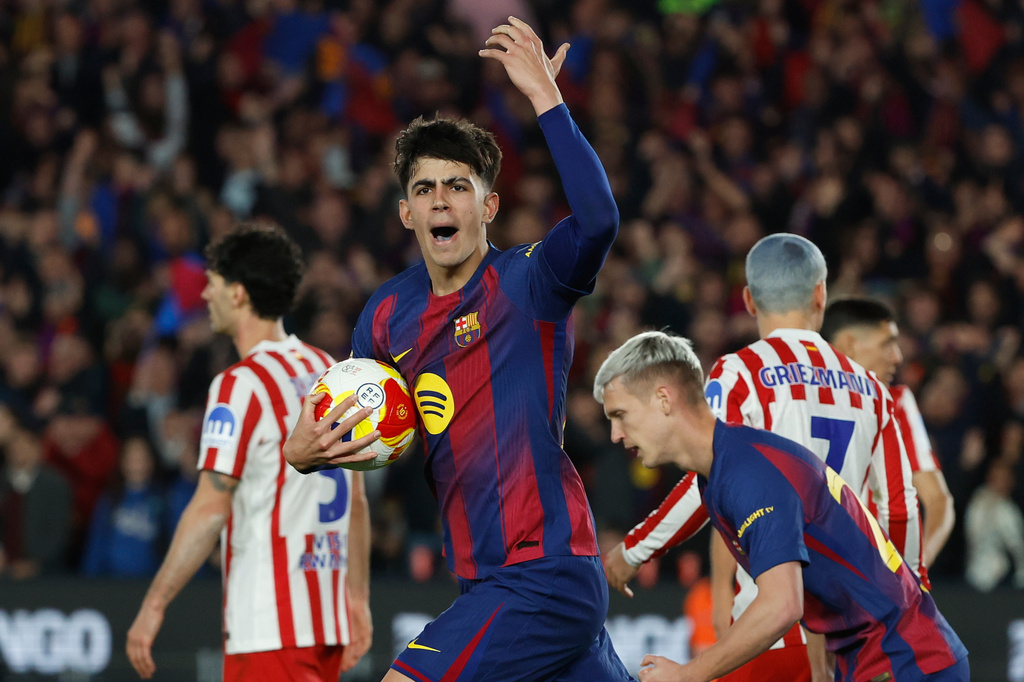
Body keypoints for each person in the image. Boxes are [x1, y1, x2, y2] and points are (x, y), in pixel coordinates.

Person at [284, 16, 635, 682]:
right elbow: (356, 426)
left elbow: (598, 221)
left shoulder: (529, 282)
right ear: (406, 215)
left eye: (457, 187)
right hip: (482, 578)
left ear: (489, 205)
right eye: (424, 189)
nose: (440, 200)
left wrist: (546, 102)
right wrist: (302, 454)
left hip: (544, 571)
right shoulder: (386, 315)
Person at [603, 233, 922, 682]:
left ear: (749, 301)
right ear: (820, 293)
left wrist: (635, 549)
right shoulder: (870, 387)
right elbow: (900, 507)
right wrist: (905, 609)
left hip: (772, 627)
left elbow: (707, 481)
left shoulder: (742, 374)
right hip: (857, 635)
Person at [594, 330, 969, 682]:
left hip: (903, 659)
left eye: (620, 415)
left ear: (663, 399)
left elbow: (781, 606)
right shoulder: (729, 466)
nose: (615, 434)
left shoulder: (746, 473)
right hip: (889, 655)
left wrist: (689, 673)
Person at [126, 224, 376, 681]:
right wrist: (356, 598)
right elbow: (356, 502)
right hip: (327, 622)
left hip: (269, 628)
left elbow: (208, 508)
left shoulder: (238, 385)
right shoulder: (332, 370)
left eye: (214, 283)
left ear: (238, 294)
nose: (204, 294)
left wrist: (154, 603)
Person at [821, 297, 955, 568]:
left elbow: (939, 501)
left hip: (849, 580)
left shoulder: (897, 402)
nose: (898, 356)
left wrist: (912, 572)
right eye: (887, 344)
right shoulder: (892, 403)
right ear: (848, 344)